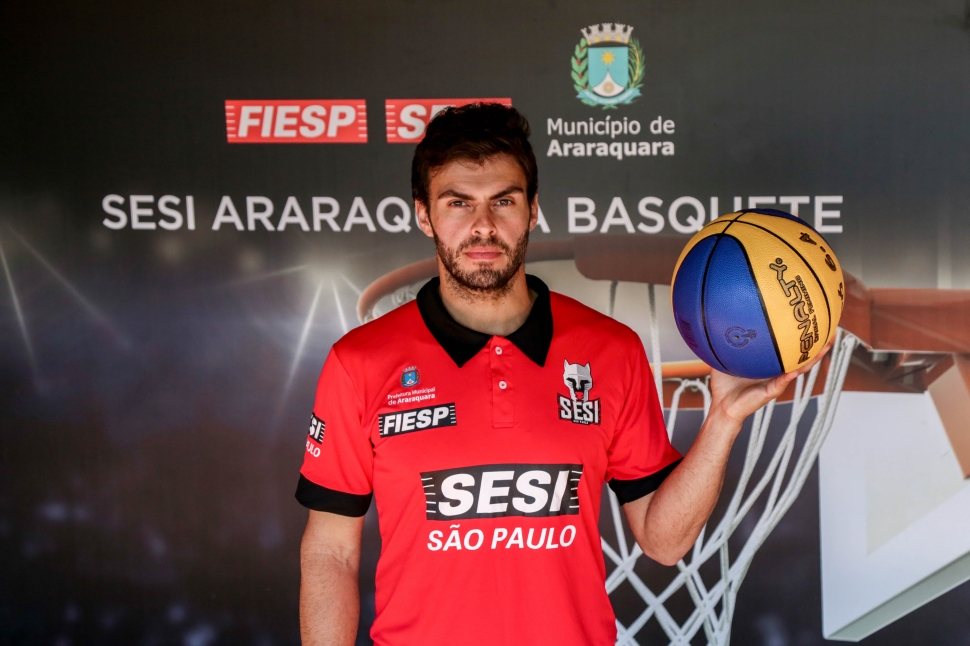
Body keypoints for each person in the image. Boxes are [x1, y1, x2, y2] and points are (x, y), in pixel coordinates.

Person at [296, 103, 826, 646]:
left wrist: (723, 420)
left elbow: (663, 543)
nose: (483, 226)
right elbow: (331, 551)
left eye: (504, 201)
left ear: (532, 211)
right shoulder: (359, 362)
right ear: (424, 215)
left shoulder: (611, 351)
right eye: (459, 203)